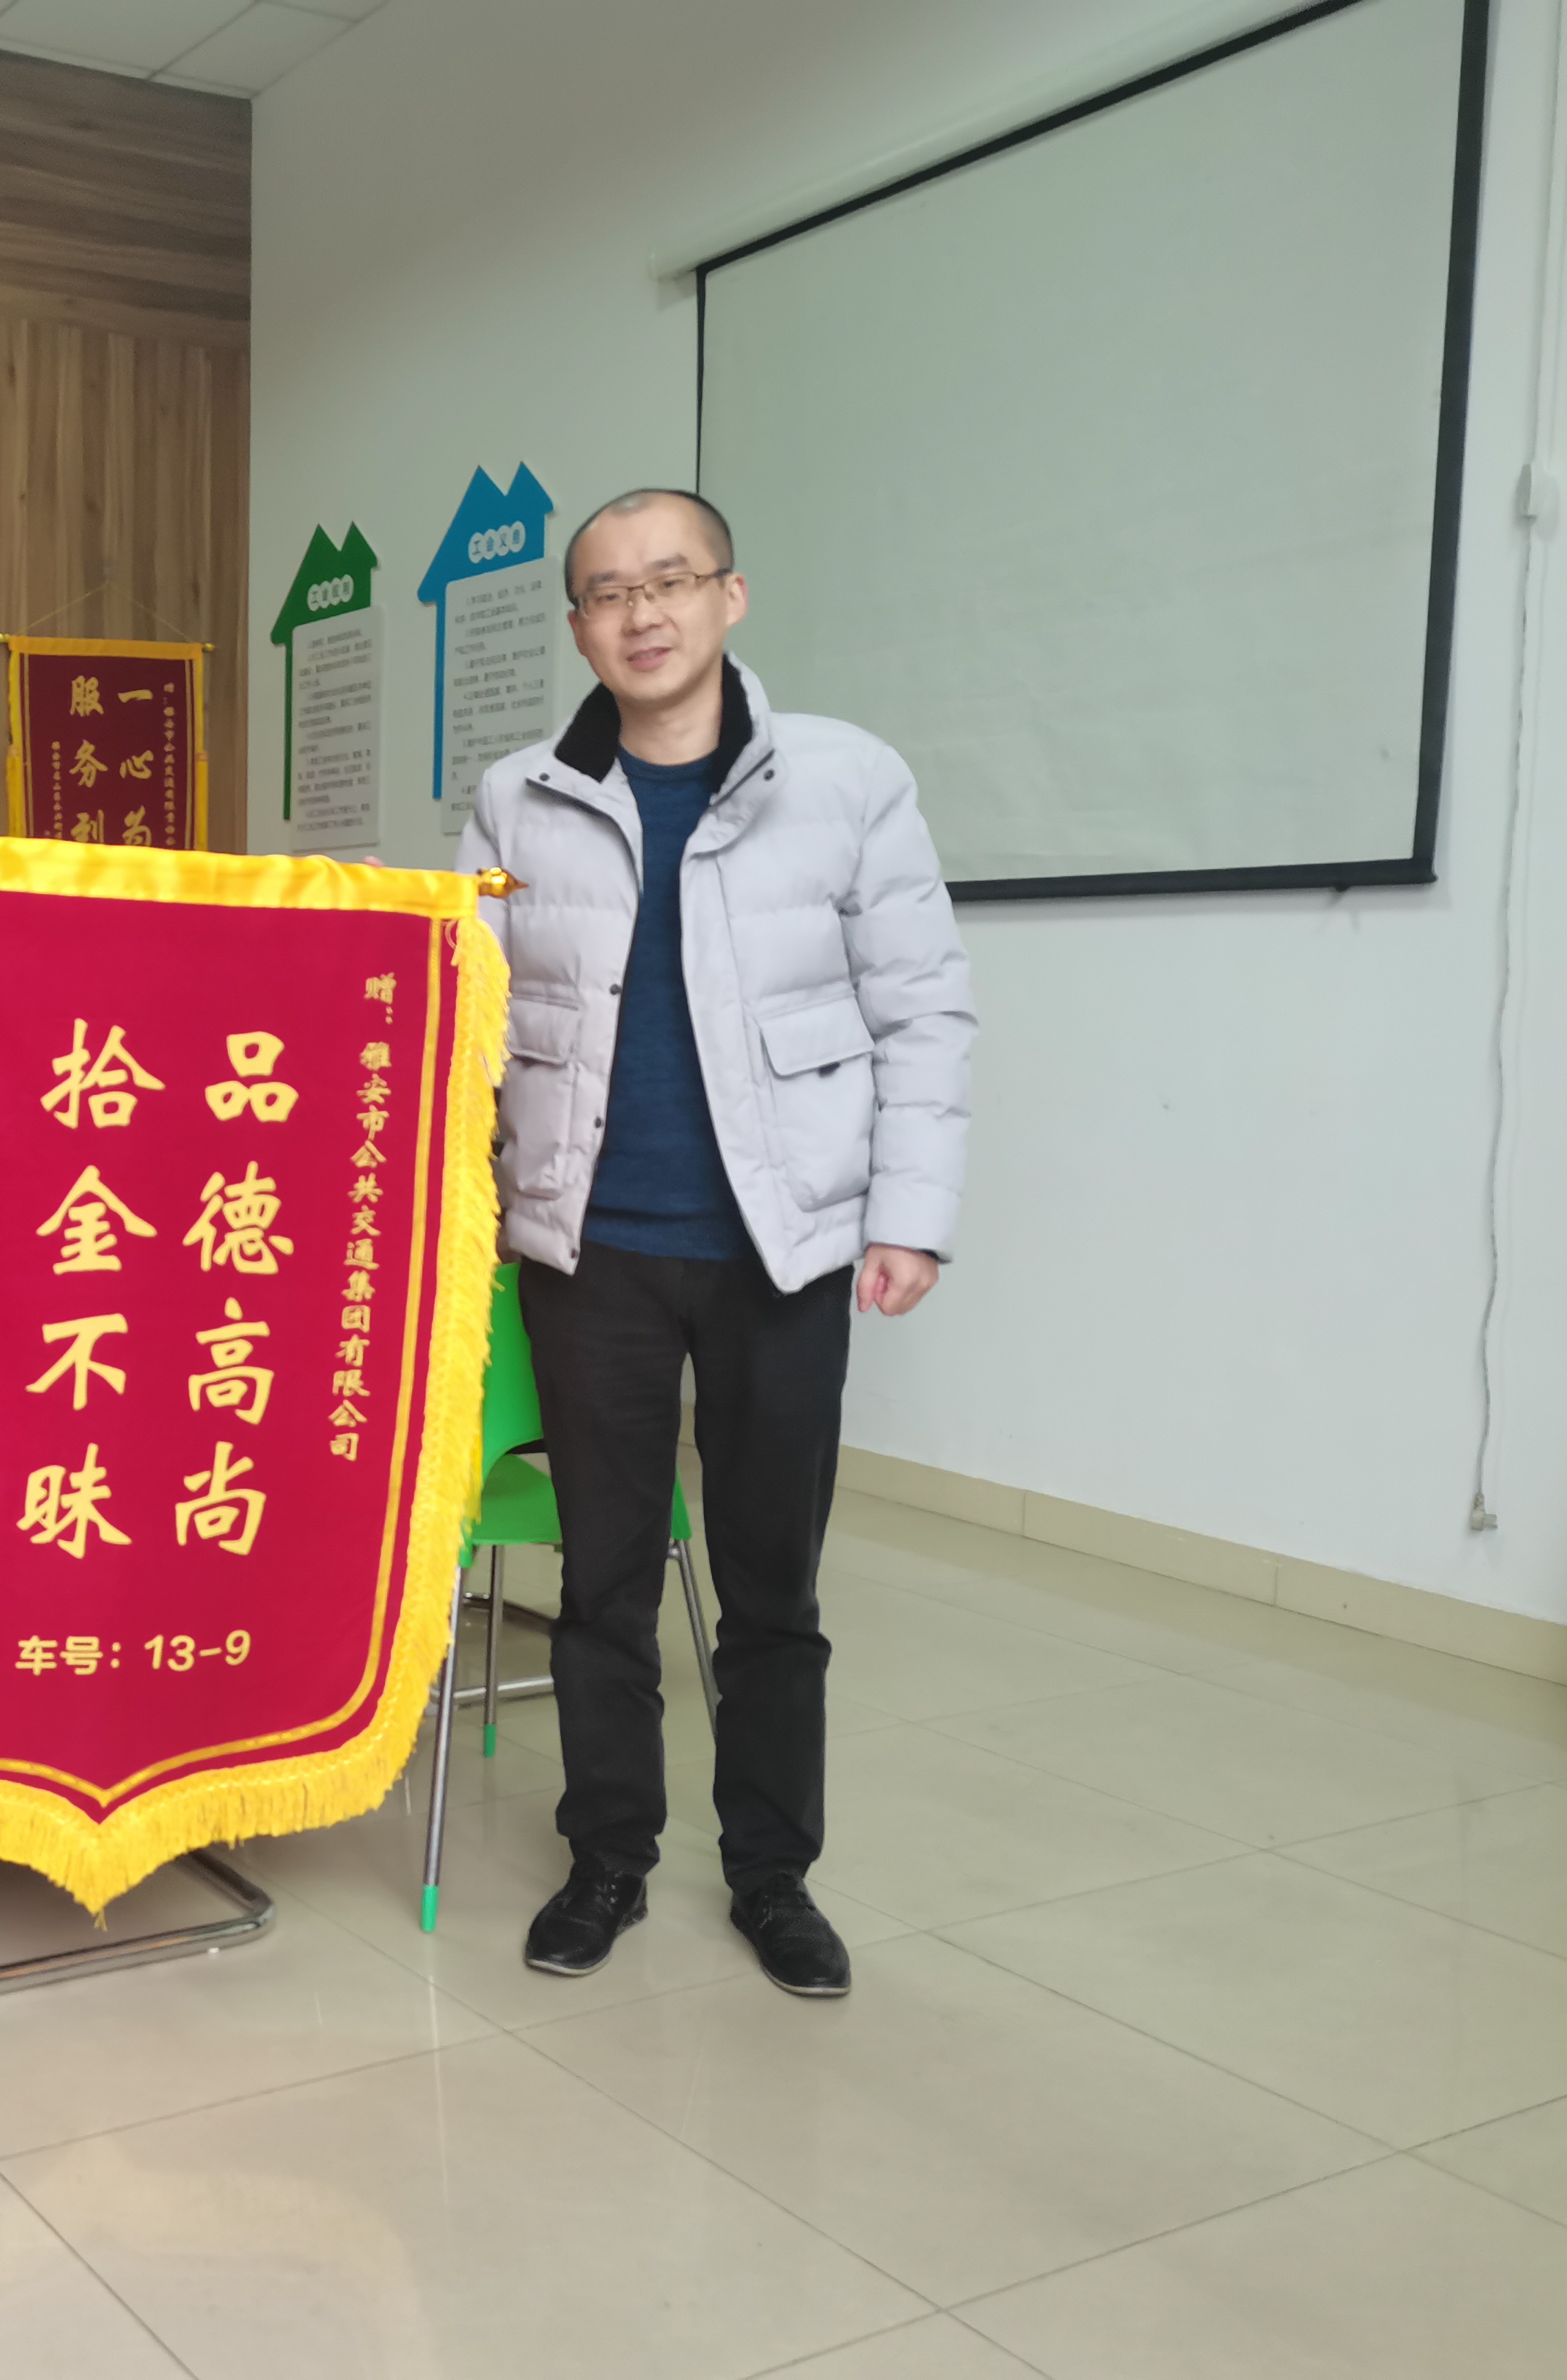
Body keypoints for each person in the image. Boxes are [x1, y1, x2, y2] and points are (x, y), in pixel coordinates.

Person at [455, 488, 973, 1998]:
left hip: (782, 1251)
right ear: (579, 629)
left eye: (670, 580)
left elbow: (923, 1009)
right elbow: (461, 1018)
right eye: (609, 593)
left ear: (729, 598)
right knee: (605, 1580)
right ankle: (607, 1858)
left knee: (771, 1586)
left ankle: (772, 1875)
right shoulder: (520, 797)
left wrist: (910, 1218)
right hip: (588, 1250)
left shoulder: (846, 780)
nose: (643, 613)